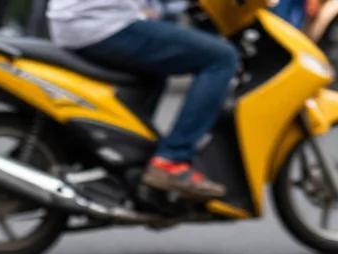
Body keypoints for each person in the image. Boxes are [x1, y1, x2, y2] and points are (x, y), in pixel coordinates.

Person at [47, 0, 239, 200]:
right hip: (101, 24)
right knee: (221, 58)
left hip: (85, 21)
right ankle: (172, 160)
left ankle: (133, 161)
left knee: (163, 60)